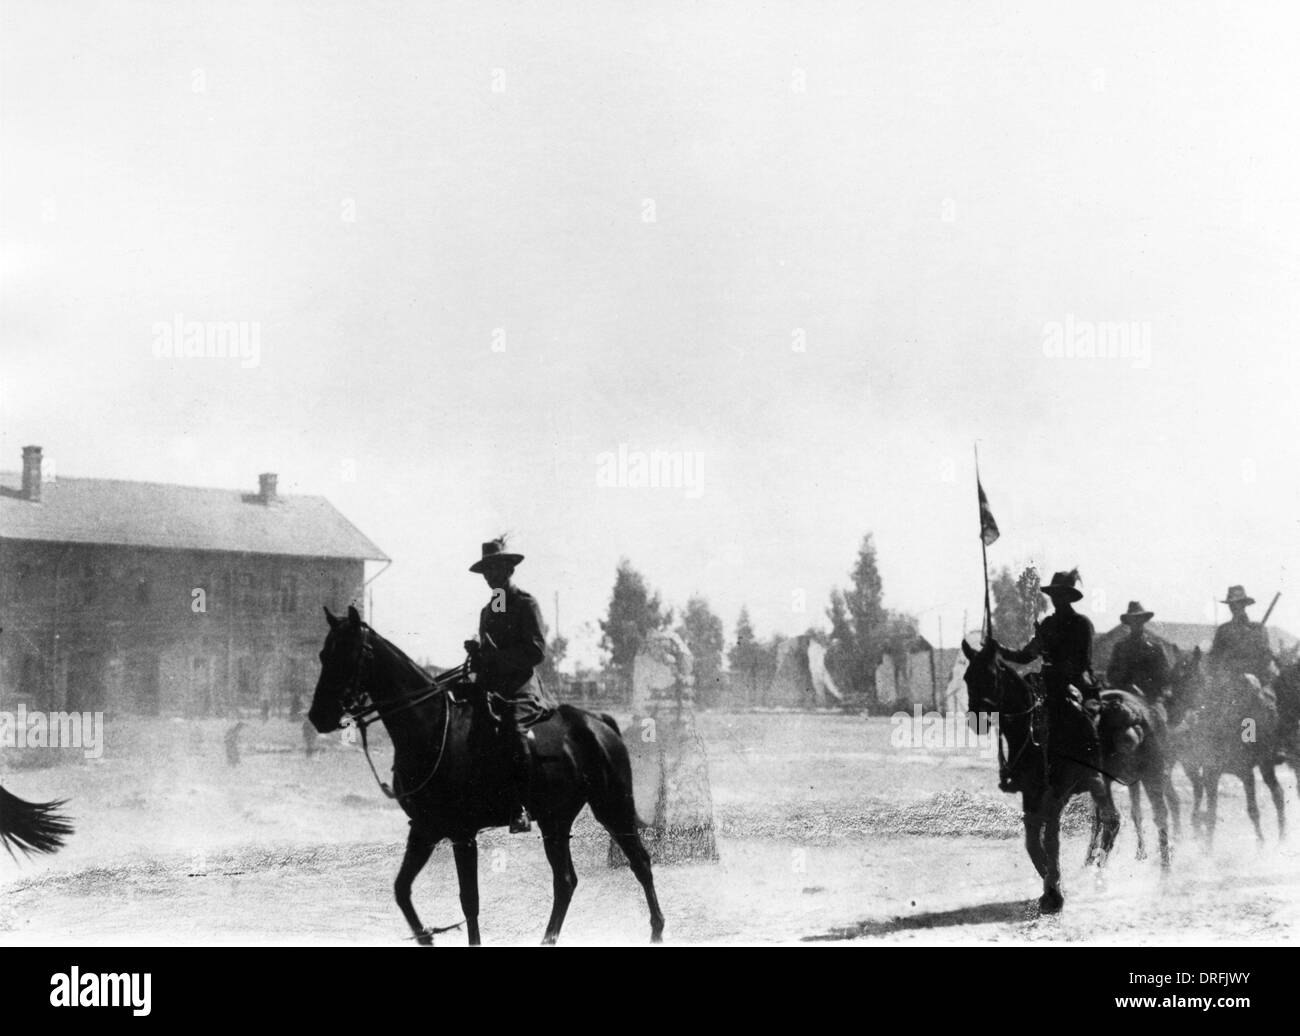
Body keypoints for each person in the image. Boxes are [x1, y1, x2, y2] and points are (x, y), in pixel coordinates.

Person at [464, 537, 556, 833]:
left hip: (522, 688)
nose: (491, 577)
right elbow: (487, 659)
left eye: (496, 570)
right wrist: (477, 656)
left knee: (513, 728)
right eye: (487, 572)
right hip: (493, 689)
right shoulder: (488, 611)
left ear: (508, 571)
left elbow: (536, 651)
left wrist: (496, 657)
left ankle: (520, 808)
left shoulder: (525, 604)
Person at [993, 569, 1102, 785]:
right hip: (1048, 683)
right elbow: (1027, 654)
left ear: (1070, 597)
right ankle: (1020, 768)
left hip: (1076, 682)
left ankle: (1094, 770)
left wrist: (1058, 673)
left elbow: (1082, 662)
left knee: (1081, 718)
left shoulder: (1082, 624)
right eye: (1054, 594)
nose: (1056, 599)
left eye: (1062, 594)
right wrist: (1000, 650)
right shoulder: (1048, 625)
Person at [1207, 585, 1276, 694]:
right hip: (1227, 682)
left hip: (1255, 681)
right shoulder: (1223, 630)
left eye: (1238, 603)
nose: (1234, 607)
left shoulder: (1258, 628)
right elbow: (1214, 658)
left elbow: (1266, 656)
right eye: (1232, 604)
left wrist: (1254, 676)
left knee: (1269, 704)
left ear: (1244, 604)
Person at [1106, 601, 1170, 701]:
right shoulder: (1120, 646)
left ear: (1144, 621)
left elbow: (1164, 675)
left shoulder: (1155, 647)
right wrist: (1126, 686)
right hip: (1123, 695)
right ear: (1129, 622)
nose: (1136, 622)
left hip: (1149, 697)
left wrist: (1149, 689)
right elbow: (1110, 674)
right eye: (1133, 619)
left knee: (1159, 715)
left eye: (1139, 619)